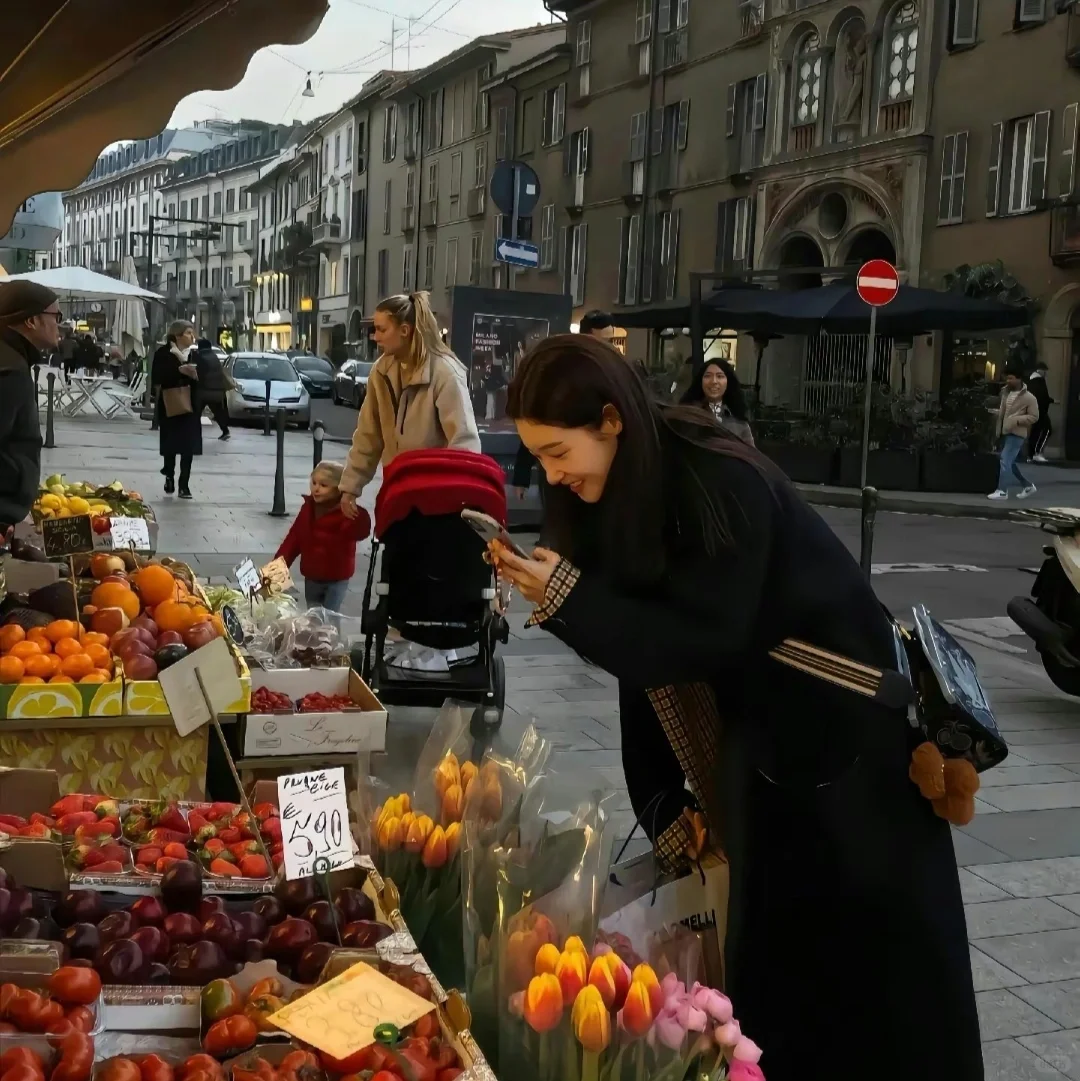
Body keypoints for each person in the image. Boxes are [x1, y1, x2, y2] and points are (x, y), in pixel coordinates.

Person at [488, 334, 982, 1081]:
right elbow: (644, 661)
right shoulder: (623, 491)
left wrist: (570, 600)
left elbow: (700, 638)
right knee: (778, 964)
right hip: (774, 750)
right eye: (540, 458)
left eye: (559, 452)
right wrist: (664, 805)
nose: (552, 476)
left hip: (846, 750)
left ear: (612, 421)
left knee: (876, 974)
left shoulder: (719, 477)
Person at [339, 291, 480, 520]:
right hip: (397, 491)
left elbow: (464, 440)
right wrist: (350, 487)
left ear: (405, 331)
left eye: (382, 329)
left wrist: (457, 497)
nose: (375, 337)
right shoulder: (381, 371)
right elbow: (368, 434)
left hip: (436, 500)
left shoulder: (444, 372)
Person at [0, 282, 61, 532]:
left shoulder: (12, 358)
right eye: (56, 316)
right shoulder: (9, 370)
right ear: (31, 321)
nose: (60, 324)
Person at [274, 461, 372, 612]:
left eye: (324, 485)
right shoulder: (307, 508)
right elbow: (293, 541)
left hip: (336, 578)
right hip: (312, 575)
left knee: (330, 620)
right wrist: (274, 572)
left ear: (339, 489)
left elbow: (360, 531)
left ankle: (331, 636)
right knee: (313, 618)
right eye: (313, 482)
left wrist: (356, 512)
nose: (316, 489)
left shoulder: (346, 512)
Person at [151, 320, 201, 499]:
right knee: (171, 445)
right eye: (188, 332)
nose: (192, 336)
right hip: (170, 403)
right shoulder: (163, 353)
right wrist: (180, 371)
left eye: (192, 332)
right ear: (177, 335)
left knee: (188, 446)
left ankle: (184, 485)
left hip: (190, 406)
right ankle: (169, 476)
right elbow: (157, 377)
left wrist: (196, 375)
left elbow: (205, 378)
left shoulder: (195, 354)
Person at [989, 369, 1039, 501]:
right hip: (1005, 431)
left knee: (1005, 460)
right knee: (1009, 462)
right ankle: (1027, 486)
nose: (1008, 381)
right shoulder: (1005, 393)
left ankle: (1002, 491)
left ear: (1019, 379)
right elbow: (1003, 412)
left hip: (1017, 433)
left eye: (1011, 378)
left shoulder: (1029, 398)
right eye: (1007, 378)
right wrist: (998, 429)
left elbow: (1034, 417)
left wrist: (1017, 420)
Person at [680, 358, 754, 445]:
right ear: (700, 381)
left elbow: (750, 457)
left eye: (720, 376)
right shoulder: (688, 415)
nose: (714, 381)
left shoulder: (740, 424)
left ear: (728, 382)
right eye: (708, 376)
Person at [191, 338, 231, 440]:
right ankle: (225, 431)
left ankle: (194, 435)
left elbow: (198, 373)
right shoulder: (214, 356)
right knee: (218, 412)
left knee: (195, 414)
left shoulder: (200, 357)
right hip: (217, 391)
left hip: (203, 391)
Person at [1027, 360, 1053, 462]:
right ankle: (1038, 452)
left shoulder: (1031, 381)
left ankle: (1031, 454)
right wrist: (1050, 400)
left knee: (1035, 432)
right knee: (1047, 430)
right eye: (1045, 371)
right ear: (1040, 371)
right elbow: (1042, 396)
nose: (1046, 373)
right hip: (1040, 410)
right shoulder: (1039, 381)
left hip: (1034, 410)